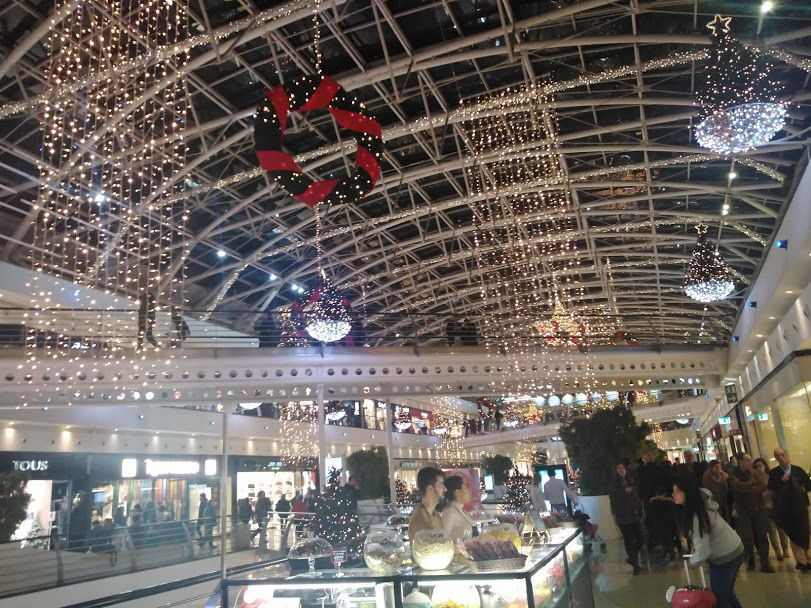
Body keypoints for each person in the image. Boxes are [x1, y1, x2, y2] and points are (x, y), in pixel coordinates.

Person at [672, 474, 744, 608]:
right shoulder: (702, 503)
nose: (673, 495)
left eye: (678, 491)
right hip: (734, 548)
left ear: (688, 493)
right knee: (726, 593)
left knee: (719, 598)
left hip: (725, 556)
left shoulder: (697, 517)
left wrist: (692, 560)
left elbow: (702, 553)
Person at [728, 453, 774, 572]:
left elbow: (762, 487)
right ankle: (751, 561)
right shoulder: (733, 474)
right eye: (747, 460)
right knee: (747, 538)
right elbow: (737, 487)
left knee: (762, 536)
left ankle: (765, 563)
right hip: (743, 510)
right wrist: (752, 485)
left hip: (758, 508)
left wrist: (749, 488)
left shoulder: (755, 472)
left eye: (750, 460)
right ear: (740, 461)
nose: (750, 462)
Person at [767, 447, 811, 570]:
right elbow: (771, 488)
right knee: (793, 532)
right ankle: (801, 561)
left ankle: (809, 557)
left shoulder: (797, 470)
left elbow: (808, 484)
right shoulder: (774, 473)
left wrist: (802, 489)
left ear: (786, 455)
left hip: (802, 506)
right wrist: (782, 481)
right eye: (778, 456)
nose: (781, 458)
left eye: (782, 455)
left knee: (806, 530)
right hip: (787, 508)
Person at [609, 463, 643, 575]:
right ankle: (635, 565)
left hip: (634, 514)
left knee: (641, 538)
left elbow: (636, 496)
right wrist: (624, 492)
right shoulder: (614, 484)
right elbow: (614, 499)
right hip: (623, 516)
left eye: (623, 468)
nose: (621, 470)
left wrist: (639, 510)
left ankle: (632, 558)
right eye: (619, 468)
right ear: (616, 470)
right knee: (629, 539)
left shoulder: (630, 480)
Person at [753, 457, 788, 561]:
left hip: (776, 505)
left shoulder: (771, 475)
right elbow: (753, 491)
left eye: (760, 465)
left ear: (765, 466)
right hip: (764, 507)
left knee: (781, 529)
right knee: (771, 530)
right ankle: (778, 551)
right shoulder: (754, 479)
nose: (759, 468)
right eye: (756, 466)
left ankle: (785, 549)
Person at [408, 466, 445, 542]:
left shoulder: (436, 514)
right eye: (441, 484)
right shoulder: (419, 520)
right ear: (430, 489)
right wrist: (452, 547)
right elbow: (423, 548)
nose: (445, 489)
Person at [441, 475, 476, 542]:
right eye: (466, 488)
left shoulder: (463, 511)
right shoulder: (450, 512)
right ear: (457, 492)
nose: (469, 491)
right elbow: (443, 539)